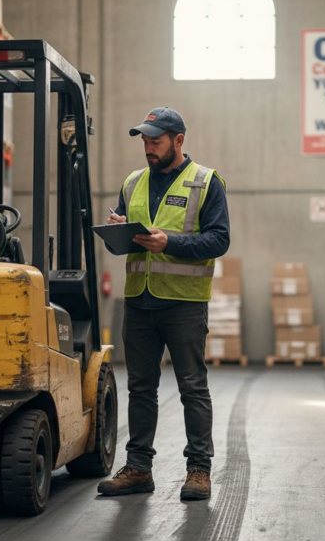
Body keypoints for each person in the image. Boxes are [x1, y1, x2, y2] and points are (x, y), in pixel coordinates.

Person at [98, 107, 230, 502]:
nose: (148, 148)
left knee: (192, 386)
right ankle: (138, 468)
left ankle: (199, 470)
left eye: (155, 140)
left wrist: (169, 243)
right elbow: (121, 243)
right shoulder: (133, 181)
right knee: (140, 387)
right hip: (139, 300)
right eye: (144, 140)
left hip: (184, 303)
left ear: (179, 140)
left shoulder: (206, 182)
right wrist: (116, 232)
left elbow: (219, 240)